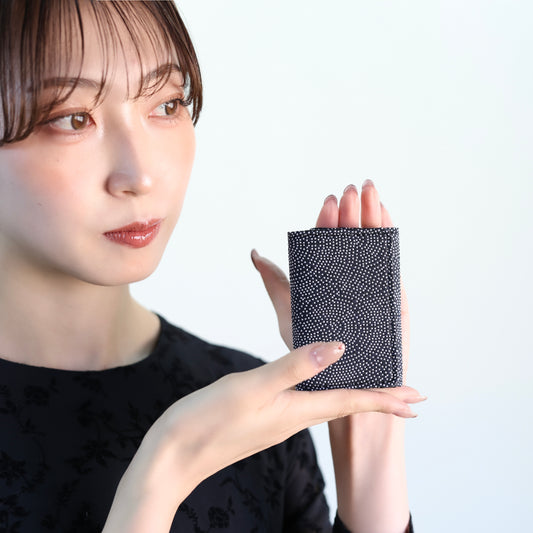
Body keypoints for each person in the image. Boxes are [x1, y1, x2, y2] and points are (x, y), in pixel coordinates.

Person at [0, 1, 426, 532]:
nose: (141, 174)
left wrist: (370, 444)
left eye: (167, 104)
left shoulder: (252, 414)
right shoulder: (221, 423)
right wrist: (165, 471)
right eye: (73, 118)